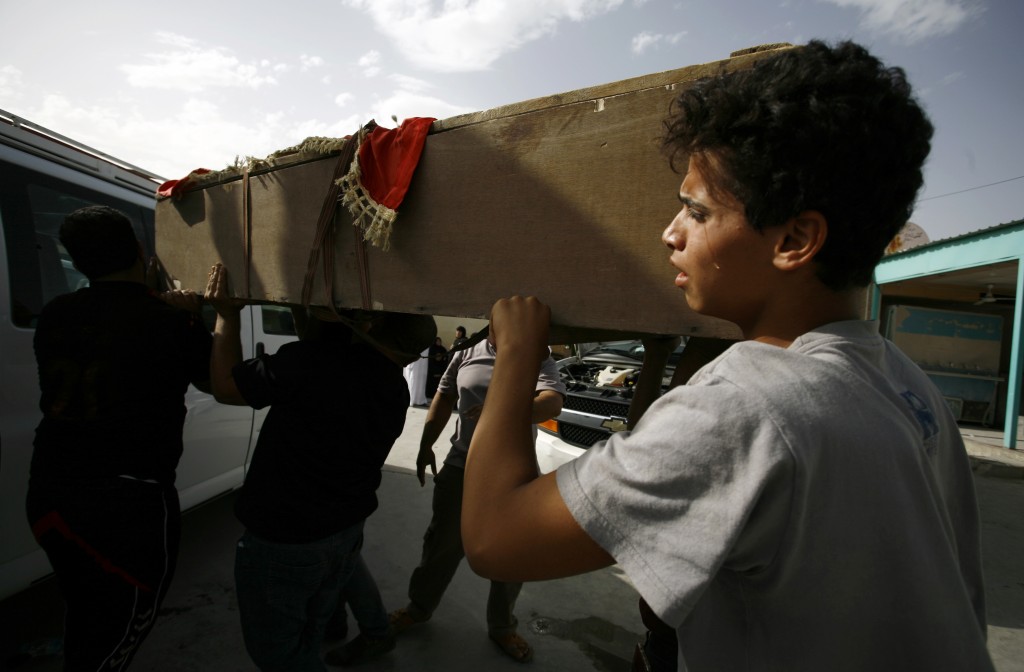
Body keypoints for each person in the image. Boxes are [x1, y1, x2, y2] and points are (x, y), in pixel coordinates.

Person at [460, 41, 995, 671]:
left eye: (696, 210)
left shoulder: (744, 406)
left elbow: (496, 541)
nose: (670, 232)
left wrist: (518, 354)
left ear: (794, 240)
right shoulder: (909, 385)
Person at [205, 262, 437, 671]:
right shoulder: (395, 388)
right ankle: (366, 634)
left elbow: (225, 386)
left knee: (279, 655)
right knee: (309, 634)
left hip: (285, 543)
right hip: (342, 534)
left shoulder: (311, 363)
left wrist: (226, 315)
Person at [25, 205, 213, 670]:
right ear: (139, 249)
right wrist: (202, 317)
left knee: (84, 604)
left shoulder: (54, 313)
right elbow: (219, 383)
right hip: (126, 508)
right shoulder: (169, 320)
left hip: (49, 490)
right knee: (119, 631)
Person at [389, 337, 565, 663]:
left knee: (511, 554)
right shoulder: (467, 351)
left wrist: (503, 411)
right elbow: (444, 396)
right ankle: (419, 608)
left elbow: (551, 403)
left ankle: (501, 626)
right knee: (441, 544)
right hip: (462, 467)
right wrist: (426, 445)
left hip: (513, 473)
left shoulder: (535, 354)